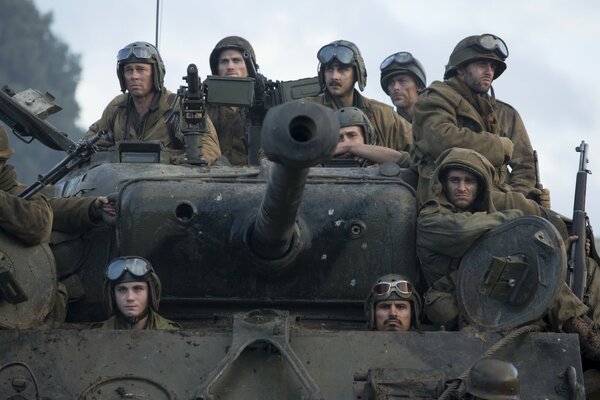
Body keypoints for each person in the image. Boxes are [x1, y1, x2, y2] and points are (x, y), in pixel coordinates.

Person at [416, 147, 600, 361]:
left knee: (562, 273)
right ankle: (579, 331)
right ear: (443, 184)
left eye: (469, 181)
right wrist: (513, 219)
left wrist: (561, 250)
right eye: (455, 180)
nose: (462, 188)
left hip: (501, 289)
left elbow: (523, 249)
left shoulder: (488, 218)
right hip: (457, 297)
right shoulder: (430, 218)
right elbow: (462, 230)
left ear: (481, 186)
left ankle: (587, 335)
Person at [411, 33, 546, 205]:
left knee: (556, 223)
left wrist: (518, 198)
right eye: (482, 64)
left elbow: (525, 166)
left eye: (492, 66)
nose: (489, 71)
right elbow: (441, 139)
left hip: (494, 196)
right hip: (446, 198)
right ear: (460, 69)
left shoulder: (504, 113)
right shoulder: (434, 99)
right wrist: (498, 146)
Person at [84, 41, 221, 165]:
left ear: (156, 74)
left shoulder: (178, 107)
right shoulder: (117, 107)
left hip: (165, 185)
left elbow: (208, 146)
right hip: (121, 186)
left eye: (141, 70)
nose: (134, 76)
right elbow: (91, 139)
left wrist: (177, 163)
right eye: (128, 70)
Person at [306, 40, 412, 166]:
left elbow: (420, 155)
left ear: (357, 74)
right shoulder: (305, 112)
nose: (334, 76)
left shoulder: (384, 116)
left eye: (342, 69)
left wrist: (376, 156)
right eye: (329, 69)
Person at [207, 36, 263, 166]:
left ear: (250, 68)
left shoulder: (264, 106)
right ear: (217, 69)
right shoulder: (205, 109)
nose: (230, 66)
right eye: (224, 61)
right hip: (212, 179)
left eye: (236, 60)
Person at [95, 256, 181, 330]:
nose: (130, 298)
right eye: (122, 290)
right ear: (113, 295)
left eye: (138, 289)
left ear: (150, 293)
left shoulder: (170, 332)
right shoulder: (97, 335)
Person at [333, 107, 408, 166]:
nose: (345, 142)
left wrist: (350, 147)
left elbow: (406, 161)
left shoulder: (378, 166)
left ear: (366, 137)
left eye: (352, 135)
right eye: (339, 137)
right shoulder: (322, 165)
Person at [379, 51, 426, 122]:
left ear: (419, 86)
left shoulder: (436, 120)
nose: (395, 87)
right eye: (391, 83)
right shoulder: (385, 126)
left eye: (402, 81)